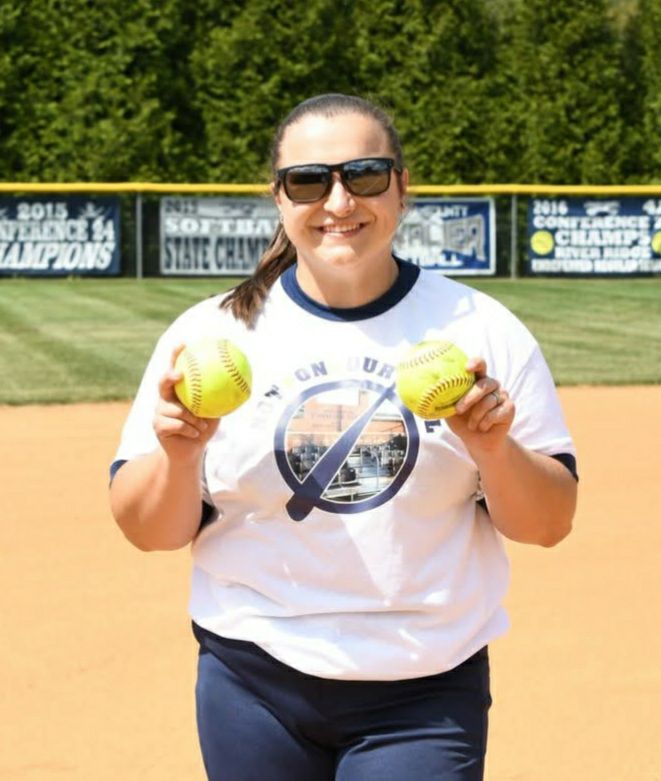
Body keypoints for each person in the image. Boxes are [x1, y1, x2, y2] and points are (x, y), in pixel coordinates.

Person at [109, 93, 578, 781]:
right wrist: (179, 458)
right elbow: (148, 531)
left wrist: (492, 449)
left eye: (363, 174)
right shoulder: (211, 335)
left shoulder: (479, 328)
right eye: (307, 181)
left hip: (423, 683)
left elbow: (549, 523)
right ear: (278, 197)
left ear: (401, 187)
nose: (338, 201)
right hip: (251, 675)